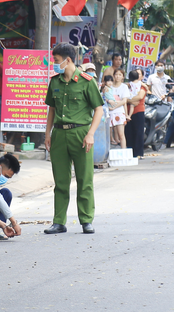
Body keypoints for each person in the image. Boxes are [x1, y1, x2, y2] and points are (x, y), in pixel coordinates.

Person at [43, 43, 104, 234]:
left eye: (56, 60)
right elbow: (51, 109)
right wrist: (47, 134)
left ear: (68, 60)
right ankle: (59, 222)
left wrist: (91, 134)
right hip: (59, 134)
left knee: (84, 179)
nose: (54, 64)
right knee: (60, 181)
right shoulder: (55, 81)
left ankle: (86, 220)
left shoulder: (87, 81)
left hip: (81, 134)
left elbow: (98, 109)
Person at [102, 71, 130, 148]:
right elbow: (103, 97)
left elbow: (124, 101)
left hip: (119, 112)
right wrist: (108, 101)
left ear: (123, 77)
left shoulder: (124, 87)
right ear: (113, 76)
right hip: (109, 113)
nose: (117, 76)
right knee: (108, 134)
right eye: (116, 74)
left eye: (120, 75)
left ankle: (124, 152)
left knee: (121, 134)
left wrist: (114, 106)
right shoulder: (108, 87)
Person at [125, 69, 147, 159]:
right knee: (128, 133)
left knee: (138, 133)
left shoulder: (142, 87)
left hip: (138, 111)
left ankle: (138, 153)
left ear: (142, 76)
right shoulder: (128, 85)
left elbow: (140, 97)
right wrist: (130, 100)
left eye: (138, 74)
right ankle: (130, 153)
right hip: (127, 111)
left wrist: (128, 100)